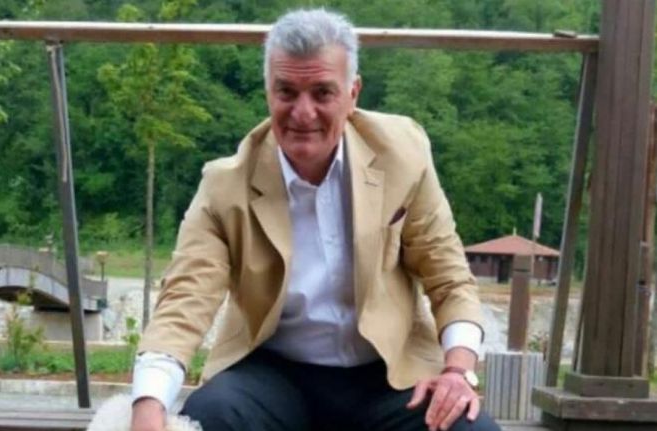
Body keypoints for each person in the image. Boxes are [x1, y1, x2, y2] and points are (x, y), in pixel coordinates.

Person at [131, 8, 500, 431]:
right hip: (272, 373)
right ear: (268, 92)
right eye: (286, 92)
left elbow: (449, 277)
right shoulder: (224, 185)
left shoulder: (404, 153)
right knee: (211, 416)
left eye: (323, 93)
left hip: (389, 374)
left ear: (353, 93)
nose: (303, 113)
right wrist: (147, 404)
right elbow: (184, 301)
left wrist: (457, 371)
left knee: (469, 429)